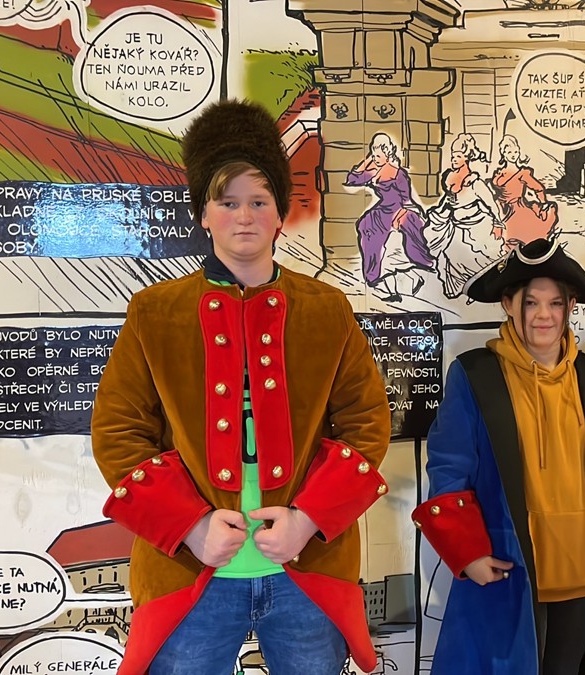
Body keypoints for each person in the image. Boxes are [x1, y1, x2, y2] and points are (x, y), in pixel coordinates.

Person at [92, 99, 392, 675]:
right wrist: (191, 526)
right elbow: (118, 433)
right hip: (188, 572)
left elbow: (366, 422)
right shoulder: (154, 312)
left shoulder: (326, 309)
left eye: (259, 201)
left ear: (280, 213)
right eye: (227, 202)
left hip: (308, 569)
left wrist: (307, 519)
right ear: (204, 215)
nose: (244, 217)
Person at [413, 238, 585, 674]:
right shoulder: (475, 374)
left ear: (571, 307)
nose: (544, 315)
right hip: (510, 577)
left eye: (555, 303)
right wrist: (467, 551)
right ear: (509, 304)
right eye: (531, 302)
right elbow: (449, 467)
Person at [346, 132, 434, 301]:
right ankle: (372, 276)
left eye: (378, 155)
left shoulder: (398, 173)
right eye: (373, 154)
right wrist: (367, 161)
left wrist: (403, 213)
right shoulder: (373, 170)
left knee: (410, 230)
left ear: (387, 154)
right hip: (383, 209)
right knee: (365, 225)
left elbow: (406, 197)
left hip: (399, 209)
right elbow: (352, 179)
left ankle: (422, 264)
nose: (375, 158)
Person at [425, 133, 504, 298]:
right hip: (457, 227)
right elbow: (447, 201)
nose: (454, 159)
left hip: (477, 227)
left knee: (480, 260)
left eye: (458, 156)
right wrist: (438, 213)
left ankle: (481, 291)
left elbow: (492, 204)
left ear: (466, 158)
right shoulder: (449, 177)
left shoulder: (476, 183)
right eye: (453, 156)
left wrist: (498, 224)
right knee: (449, 255)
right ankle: (459, 290)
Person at [492, 135, 558, 252]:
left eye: (516, 152)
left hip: (517, 209)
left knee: (522, 236)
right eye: (509, 152)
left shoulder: (522, 174)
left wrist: (543, 203)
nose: (513, 155)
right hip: (500, 207)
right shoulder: (499, 173)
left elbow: (539, 188)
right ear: (504, 154)